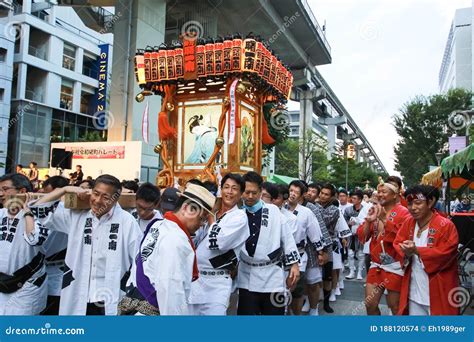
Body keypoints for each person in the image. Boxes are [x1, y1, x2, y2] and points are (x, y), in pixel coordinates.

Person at [27, 174, 142, 315]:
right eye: (96, 194)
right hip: (79, 291)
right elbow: (39, 209)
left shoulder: (126, 221)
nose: (98, 200)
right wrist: (65, 189)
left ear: (115, 199)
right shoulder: (77, 215)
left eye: (105, 197)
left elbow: (139, 260)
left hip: (110, 293)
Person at [137, 182, 216, 315]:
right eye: (201, 219)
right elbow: (171, 290)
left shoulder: (160, 225)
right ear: (188, 209)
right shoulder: (176, 240)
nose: (202, 224)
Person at [237, 172, 300, 315]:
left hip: (271, 274)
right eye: (247, 192)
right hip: (247, 273)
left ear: (260, 192)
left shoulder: (273, 211)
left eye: (254, 192)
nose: (250, 196)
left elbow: (287, 238)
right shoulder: (237, 213)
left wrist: (294, 264)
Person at [394, 185, 459, 315]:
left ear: (430, 202)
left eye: (418, 203)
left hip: (439, 288)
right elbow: (398, 242)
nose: (413, 208)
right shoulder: (408, 223)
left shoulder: (446, 225)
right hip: (414, 290)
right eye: (410, 203)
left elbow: (448, 253)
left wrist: (418, 251)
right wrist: (405, 251)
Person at [189, 173, 249, 315]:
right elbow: (194, 239)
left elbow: (219, 242)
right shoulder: (212, 213)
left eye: (234, 189)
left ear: (240, 194)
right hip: (196, 279)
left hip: (218, 281)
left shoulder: (239, 217)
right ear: (221, 190)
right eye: (226, 187)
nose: (229, 192)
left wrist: (210, 218)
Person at [357, 176, 411, 315]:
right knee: (370, 304)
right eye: (378, 192)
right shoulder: (375, 209)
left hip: (395, 265)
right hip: (376, 264)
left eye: (384, 192)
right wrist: (369, 221)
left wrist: (382, 219)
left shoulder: (404, 213)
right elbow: (363, 238)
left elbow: (401, 237)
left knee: (395, 306)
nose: (380, 195)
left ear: (395, 195)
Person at [0, 174, 48, 315]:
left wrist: (28, 211)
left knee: (20, 331)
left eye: (5, 189)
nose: (1, 194)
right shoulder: (2, 213)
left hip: (27, 285)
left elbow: (34, 238)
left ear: (22, 192)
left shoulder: (41, 214)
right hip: (2, 283)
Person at [285, 180, 324, 315]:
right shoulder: (279, 208)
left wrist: (320, 252)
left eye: (296, 192)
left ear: (302, 195)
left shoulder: (306, 212)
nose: (292, 194)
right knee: (282, 289)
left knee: (295, 288)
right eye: (291, 191)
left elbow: (315, 234)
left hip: (299, 254)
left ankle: (296, 314)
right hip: (280, 255)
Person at [37, 176, 69, 315]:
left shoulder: (65, 211)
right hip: (36, 274)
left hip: (57, 272)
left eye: (48, 193)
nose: (46, 196)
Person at [344, 190, 366, 280]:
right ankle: (352, 271)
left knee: (361, 254)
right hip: (351, 234)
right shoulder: (348, 210)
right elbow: (343, 221)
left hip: (362, 234)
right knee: (350, 253)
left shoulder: (365, 209)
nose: (352, 200)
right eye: (352, 198)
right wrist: (349, 223)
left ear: (360, 200)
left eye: (355, 198)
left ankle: (359, 272)